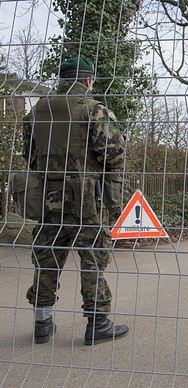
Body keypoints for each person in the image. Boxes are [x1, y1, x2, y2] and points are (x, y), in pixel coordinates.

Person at [23, 57, 129, 345]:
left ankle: (42, 323)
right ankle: (98, 323)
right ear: (87, 81)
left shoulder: (37, 111)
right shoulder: (93, 110)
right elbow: (114, 154)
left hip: (48, 199)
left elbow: (29, 156)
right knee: (92, 258)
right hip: (86, 202)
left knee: (47, 258)